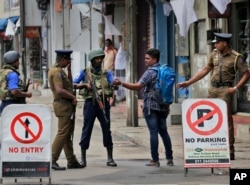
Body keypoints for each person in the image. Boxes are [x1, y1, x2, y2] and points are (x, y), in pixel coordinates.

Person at [176, 33, 250, 160]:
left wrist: (236, 88)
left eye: (217, 43)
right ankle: (213, 148)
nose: (215, 45)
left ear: (225, 43)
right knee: (211, 119)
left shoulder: (236, 57)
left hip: (226, 90)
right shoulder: (214, 54)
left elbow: (246, 73)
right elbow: (205, 70)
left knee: (226, 120)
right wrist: (188, 82)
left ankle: (229, 150)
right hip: (213, 90)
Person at [113, 48, 174, 167]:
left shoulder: (150, 72)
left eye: (147, 58)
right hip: (163, 105)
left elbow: (137, 86)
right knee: (164, 132)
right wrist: (167, 106)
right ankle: (169, 158)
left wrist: (122, 83)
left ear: (154, 59)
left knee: (153, 133)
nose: (145, 61)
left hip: (150, 106)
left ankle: (155, 160)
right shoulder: (163, 70)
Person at [73, 48, 118, 167]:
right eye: (97, 59)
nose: (99, 60)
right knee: (87, 128)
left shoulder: (106, 73)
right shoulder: (84, 72)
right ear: (92, 60)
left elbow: (112, 82)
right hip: (90, 103)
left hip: (103, 103)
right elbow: (73, 84)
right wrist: (84, 85)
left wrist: (115, 84)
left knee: (106, 129)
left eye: (101, 58)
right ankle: (83, 158)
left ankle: (110, 158)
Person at [48, 49, 84, 170]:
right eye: (67, 60)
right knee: (63, 132)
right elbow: (60, 90)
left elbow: (68, 84)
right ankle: (52, 159)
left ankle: (71, 160)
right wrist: (72, 97)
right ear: (62, 59)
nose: (69, 62)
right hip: (63, 104)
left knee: (67, 133)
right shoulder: (56, 72)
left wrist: (69, 71)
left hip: (65, 105)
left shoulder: (61, 71)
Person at [0, 50, 32, 115]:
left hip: (4, 104)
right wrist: (26, 94)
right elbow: (14, 91)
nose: (18, 63)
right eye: (17, 61)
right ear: (13, 62)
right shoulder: (12, 74)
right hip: (13, 104)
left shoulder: (2, 72)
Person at [103, 38, 117, 106]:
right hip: (105, 70)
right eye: (106, 43)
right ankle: (107, 100)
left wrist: (114, 67)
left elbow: (116, 60)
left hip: (112, 70)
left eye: (108, 43)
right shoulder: (105, 51)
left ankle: (114, 100)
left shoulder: (114, 51)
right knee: (107, 85)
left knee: (113, 85)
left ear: (110, 44)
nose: (107, 45)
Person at [114, 36, 126, 102]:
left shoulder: (124, 46)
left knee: (121, 81)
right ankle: (119, 96)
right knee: (118, 81)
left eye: (120, 38)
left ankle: (122, 96)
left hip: (122, 67)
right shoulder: (121, 46)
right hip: (119, 67)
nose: (118, 39)